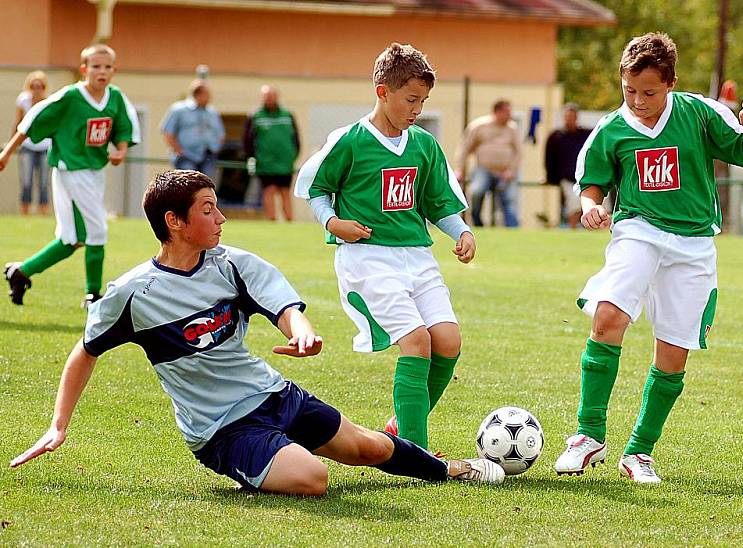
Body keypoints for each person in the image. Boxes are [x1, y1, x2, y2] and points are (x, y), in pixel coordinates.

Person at [8, 170, 505, 495]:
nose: (221, 218)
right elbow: (85, 350)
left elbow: (284, 305)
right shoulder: (133, 294)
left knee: (369, 449)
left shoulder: (232, 266)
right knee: (313, 479)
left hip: (273, 394)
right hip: (222, 428)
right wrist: (58, 425)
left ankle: (453, 469)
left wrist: (303, 330)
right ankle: (267, 458)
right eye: (207, 210)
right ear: (174, 222)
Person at [553, 33, 743, 484]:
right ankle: (587, 434)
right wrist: (592, 207)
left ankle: (639, 453)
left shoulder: (699, 112)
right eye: (629, 90)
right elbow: (591, 184)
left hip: (693, 247)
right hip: (638, 231)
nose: (637, 100)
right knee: (608, 316)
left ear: (670, 82)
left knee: (673, 352)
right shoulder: (612, 129)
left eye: (648, 92)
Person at [295, 43, 474, 450]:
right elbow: (316, 189)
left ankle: (400, 425)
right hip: (368, 259)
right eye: (411, 99)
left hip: (417, 256)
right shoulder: (350, 140)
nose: (417, 109)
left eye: (423, 101)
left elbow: (438, 200)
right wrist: (333, 222)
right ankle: (415, 453)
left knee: (447, 341)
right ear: (382, 91)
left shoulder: (423, 144)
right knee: (417, 342)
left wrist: (461, 231)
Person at [0, 44, 140, 307]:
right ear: (84, 70)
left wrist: (120, 151)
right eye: (96, 66)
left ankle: (21, 272)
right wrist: (7, 153)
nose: (102, 71)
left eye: (107, 67)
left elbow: (124, 127)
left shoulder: (115, 97)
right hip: (70, 171)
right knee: (98, 230)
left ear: (114, 70)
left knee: (72, 239)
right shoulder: (70, 97)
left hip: (94, 173)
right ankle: (93, 296)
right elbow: (32, 120)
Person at [455, 100, 522, 228]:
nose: (510, 115)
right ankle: (477, 223)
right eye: (506, 112)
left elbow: (518, 152)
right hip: (483, 169)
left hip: (505, 172)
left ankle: (512, 228)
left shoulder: (512, 128)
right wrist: (460, 169)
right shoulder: (479, 126)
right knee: (476, 192)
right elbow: (464, 148)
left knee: (509, 200)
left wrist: (511, 170)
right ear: (497, 112)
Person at [243, 85, 300, 221]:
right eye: (266, 96)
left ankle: (289, 220)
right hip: (265, 162)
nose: (269, 99)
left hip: (285, 162)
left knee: (285, 191)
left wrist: (292, 155)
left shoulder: (288, 115)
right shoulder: (256, 116)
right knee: (269, 190)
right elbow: (248, 139)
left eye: (272, 96)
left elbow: (296, 139)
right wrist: (252, 157)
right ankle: (272, 220)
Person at [161, 79, 224, 179]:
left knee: (206, 186)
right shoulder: (179, 110)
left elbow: (221, 134)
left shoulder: (212, 112)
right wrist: (178, 150)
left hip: (208, 157)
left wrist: (215, 148)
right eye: (207, 95)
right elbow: (167, 131)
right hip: (186, 157)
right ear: (198, 94)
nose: (210, 98)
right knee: (189, 186)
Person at [544, 103, 592, 228]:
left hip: (587, 177)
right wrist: (551, 177)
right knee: (574, 204)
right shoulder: (556, 136)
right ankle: (573, 229)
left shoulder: (586, 135)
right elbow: (549, 159)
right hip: (568, 178)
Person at [11, 71, 51, 215]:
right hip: (27, 146)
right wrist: (12, 143)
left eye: (39, 86)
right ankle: (25, 213)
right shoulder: (23, 101)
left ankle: (43, 213)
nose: (36, 89)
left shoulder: (49, 102)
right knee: (26, 181)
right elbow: (18, 122)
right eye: (33, 86)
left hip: (45, 147)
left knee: (44, 183)